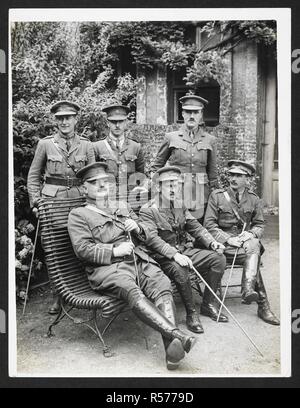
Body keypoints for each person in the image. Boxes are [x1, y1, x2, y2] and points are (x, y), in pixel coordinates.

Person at [67, 162, 197, 370]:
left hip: (139, 259)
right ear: (84, 188)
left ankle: (172, 350)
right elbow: (82, 249)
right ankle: (177, 336)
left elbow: (146, 233)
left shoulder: (122, 206)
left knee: (161, 282)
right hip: (108, 269)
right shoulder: (78, 215)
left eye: (105, 182)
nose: (102, 187)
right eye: (94, 183)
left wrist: (137, 227)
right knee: (130, 289)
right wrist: (114, 251)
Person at [139, 166, 228, 334]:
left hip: (183, 252)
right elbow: (152, 239)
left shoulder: (179, 205)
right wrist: (174, 255)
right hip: (162, 258)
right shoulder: (148, 210)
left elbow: (195, 227)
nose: (174, 189)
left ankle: (208, 304)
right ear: (158, 187)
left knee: (218, 258)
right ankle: (191, 313)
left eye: (176, 185)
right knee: (181, 269)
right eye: (169, 185)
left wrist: (212, 242)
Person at [27, 100, 95, 314]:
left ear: (76, 119)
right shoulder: (45, 144)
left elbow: (92, 177)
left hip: (78, 202)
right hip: (53, 203)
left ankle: (81, 290)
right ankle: (58, 295)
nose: (64, 122)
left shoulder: (87, 145)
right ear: (55, 120)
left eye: (68, 117)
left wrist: (92, 203)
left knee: (79, 246)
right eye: (60, 118)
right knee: (55, 248)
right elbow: (33, 176)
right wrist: (36, 201)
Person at [204, 159, 280, 326]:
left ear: (248, 178)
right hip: (222, 247)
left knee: (253, 245)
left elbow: (260, 224)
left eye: (239, 176)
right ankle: (261, 304)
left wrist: (250, 233)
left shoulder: (253, 199)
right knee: (253, 257)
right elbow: (208, 225)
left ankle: (248, 291)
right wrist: (228, 238)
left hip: (244, 247)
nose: (233, 178)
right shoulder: (217, 196)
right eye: (231, 174)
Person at [151, 93, 218, 221]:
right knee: (177, 228)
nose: (192, 116)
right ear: (183, 114)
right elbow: (156, 166)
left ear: (201, 114)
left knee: (198, 230)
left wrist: (214, 197)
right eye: (188, 112)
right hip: (176, 193)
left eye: (196, 112)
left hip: (200, 195)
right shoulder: (171, 137)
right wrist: (157, 191)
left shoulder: (210, 140)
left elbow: (213, 174)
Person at [93, 103, 147, 202]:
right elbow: (93, 176)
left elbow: (140, 175)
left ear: (126, 122)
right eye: (113, 122)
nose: (117, 125)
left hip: (129, 197)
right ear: (108, 123)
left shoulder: (135, 147)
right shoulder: (97, 147)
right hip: (106, 197)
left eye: (121, 121)